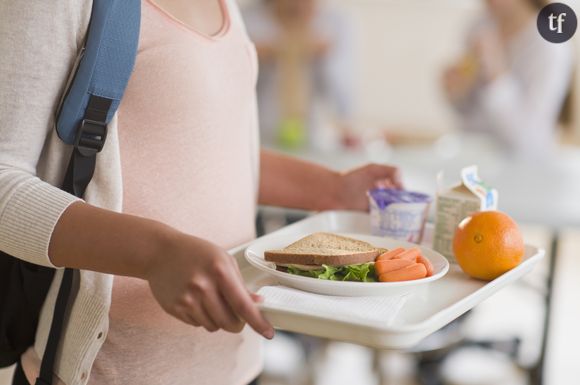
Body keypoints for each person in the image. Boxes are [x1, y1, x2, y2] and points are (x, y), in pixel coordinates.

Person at [0, 1, 401, 385]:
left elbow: (206, 149)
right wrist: (156, 254)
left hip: (237, 364)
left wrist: (331, 189)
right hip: (114, 371)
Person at [442, 0, 573, 158]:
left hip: (526, 165)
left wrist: (497, 75)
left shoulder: (550, 45)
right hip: (474, 156)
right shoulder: (480, 26)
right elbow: (470, 116)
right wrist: (457, 93)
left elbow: (527, 141)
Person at [243, 0, 358, 151]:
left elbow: (345, 105)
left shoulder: (337, 23)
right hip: (256, 140)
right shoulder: (245, 21)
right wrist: (257, 58)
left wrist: (325, 59)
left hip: (315, 141)